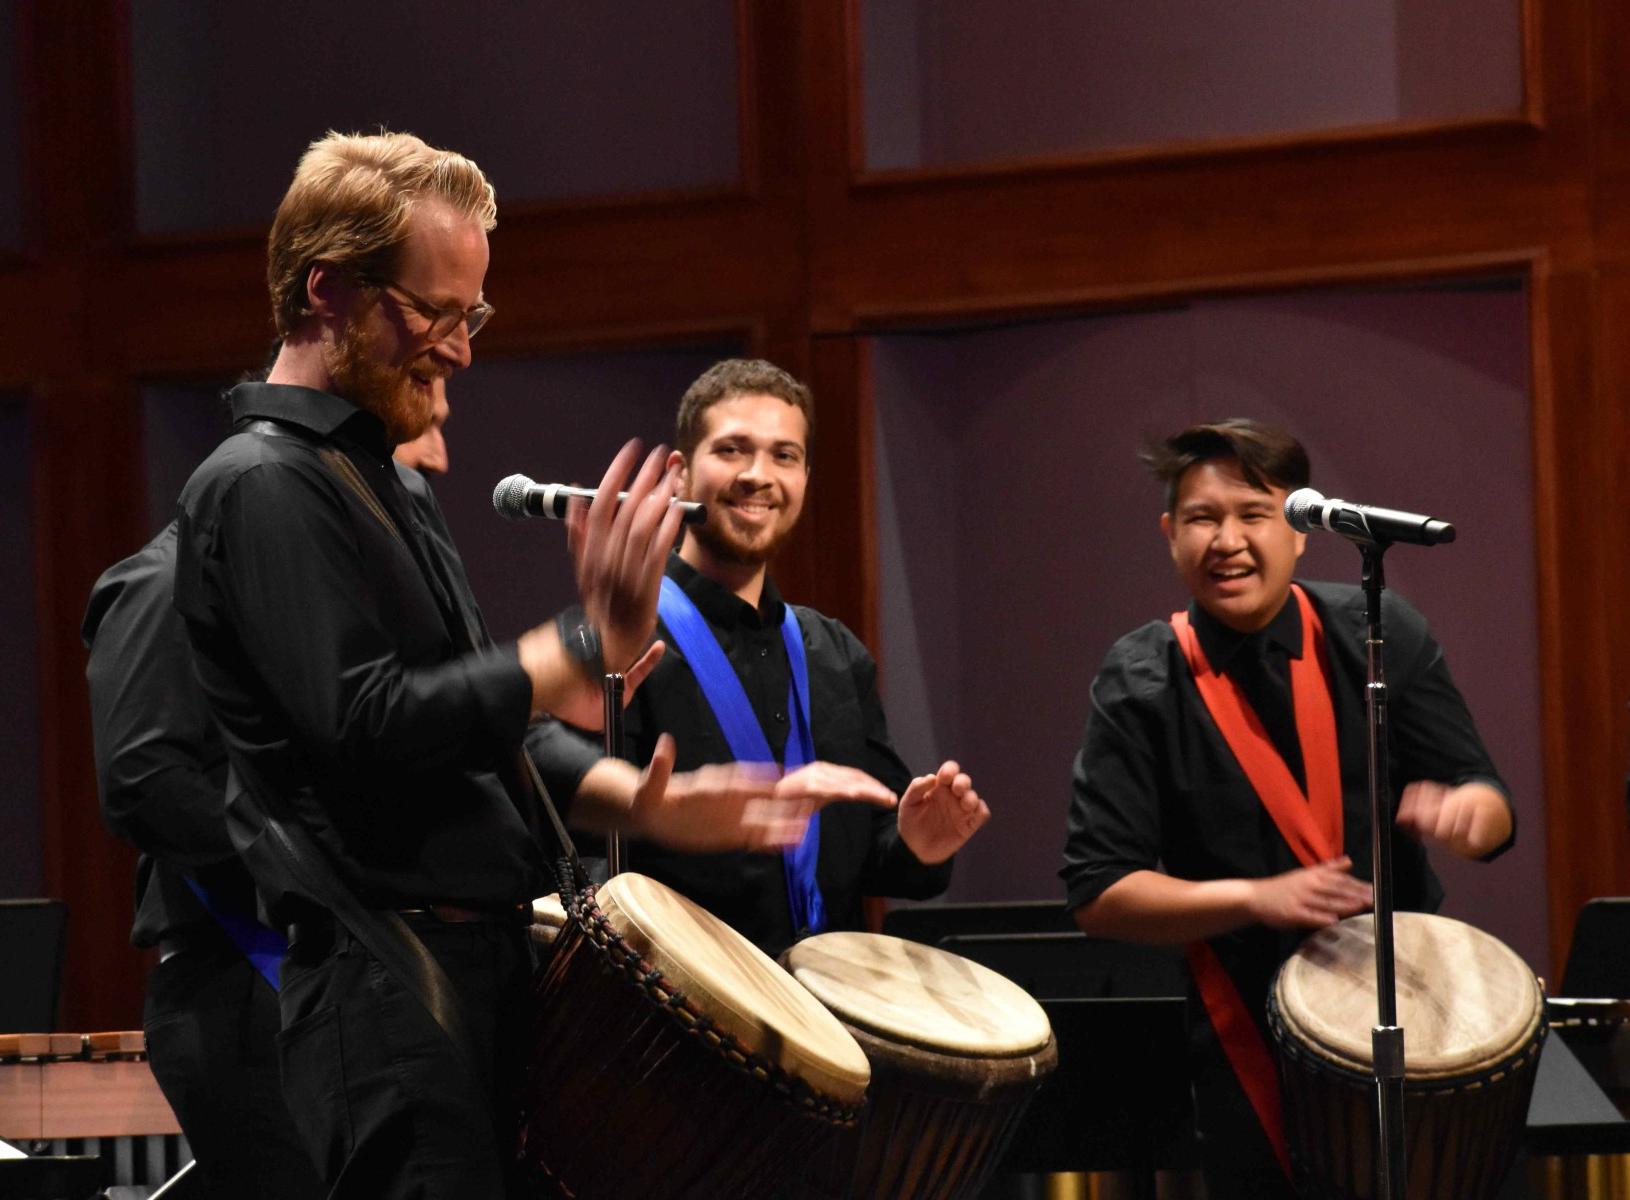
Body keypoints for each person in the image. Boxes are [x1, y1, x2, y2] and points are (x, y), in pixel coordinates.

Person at [171, 132, 850, 1200]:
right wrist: (575, 645)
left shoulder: (389, 487)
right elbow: (369, 726)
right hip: (384, 985)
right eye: (434, 312)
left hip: (472, 977)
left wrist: (653, 804)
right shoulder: (259, 484)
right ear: (327, 291)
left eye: (471, 315)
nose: (461, 349)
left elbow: (478, 722)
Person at [1060, 418, 1514, 1198]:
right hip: (1245, 1037)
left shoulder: (1377, 632)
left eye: (1254, 514)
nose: (1226, 540)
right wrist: (1255, 900)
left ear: (1302, 528)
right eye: (1202, 519)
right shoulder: (1141, 676)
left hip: (1417, 1020)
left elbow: (1487, 799)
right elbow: (1099, 892)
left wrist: (1471, 816)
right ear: (1171, 535)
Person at [82, 373, 461, 1199]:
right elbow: (145, 782)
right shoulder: (163, 578)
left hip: (336, 973)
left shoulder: (324, 605)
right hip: (247, 985)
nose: (433, 457)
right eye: (405, 447)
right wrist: (326, 848)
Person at [600, 358, 990, 958]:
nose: (760, 476)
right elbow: (577, 845)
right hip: (681, 1012)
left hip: (827, 1021)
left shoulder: (835, 654)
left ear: (805, 475)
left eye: (784, 456)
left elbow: (873, 858)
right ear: (678, 473)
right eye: (733, 450)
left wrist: (920, 842)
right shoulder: (619, 641)